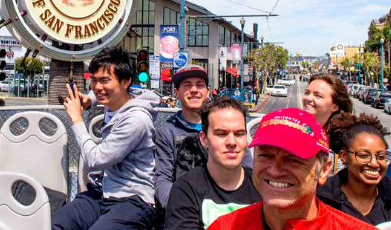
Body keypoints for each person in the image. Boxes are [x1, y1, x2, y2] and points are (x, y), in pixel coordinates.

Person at [208, 108, 377, 230]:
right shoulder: (225, 226)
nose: (275, 171)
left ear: (324, 170)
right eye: (266, 156)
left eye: (293, 160)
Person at [52, 46, 160, 229]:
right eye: (94, 80)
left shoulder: (136, 119)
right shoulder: (115, 99)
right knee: (60, 222)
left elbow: (96, 160)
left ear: (125, 82)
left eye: (104, 81)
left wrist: (77, 119)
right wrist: (88, 100)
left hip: (132, 200)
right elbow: (99, 93)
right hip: (102, 193)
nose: (97, 87)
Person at [155, 65, 254, 210]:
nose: (194, 90)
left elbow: (247, 170)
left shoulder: (228, 125)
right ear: (176, 92)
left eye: (200, 85)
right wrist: (182, 208)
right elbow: (163, 179)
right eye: (187, 85)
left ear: (208, 91)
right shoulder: (167, 132)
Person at [164, 96, 261, 230]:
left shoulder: (262, 187)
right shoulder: (185, 190)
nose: (232, 142)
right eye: (221, 134)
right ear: (204, 139)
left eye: (239, 134)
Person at [317, 112, 391, 226]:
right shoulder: (319, 199)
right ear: (344, 156)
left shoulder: (388, 199)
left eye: (381, 156)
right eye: (363, 155)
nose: (374, 163)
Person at [302, 73, 353, 174]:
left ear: (335, 106)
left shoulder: (342, 141)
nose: (308, 98)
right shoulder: (294, 126)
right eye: (307, 92)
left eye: (318, 96)